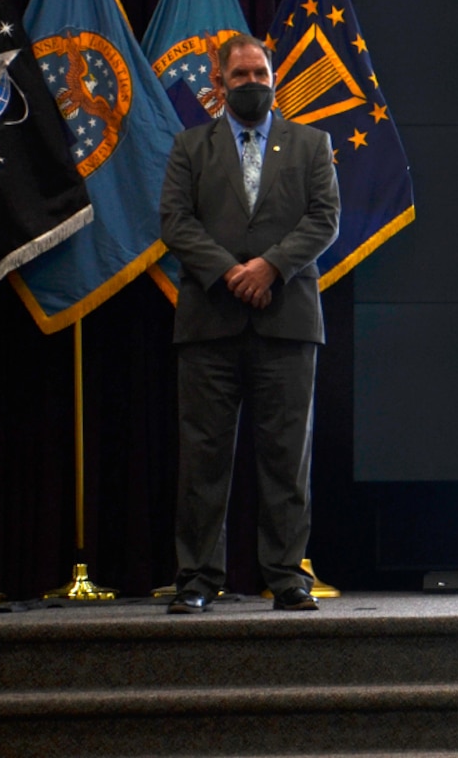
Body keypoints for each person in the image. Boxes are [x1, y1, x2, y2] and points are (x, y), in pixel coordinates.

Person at [160, 33, 339, 613]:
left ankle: (286, 577)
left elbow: (325, 221)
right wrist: (232, 273)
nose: (253, 84)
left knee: (286, 459)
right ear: (218, 83)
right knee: (202, 459)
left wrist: (269, 267)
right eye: (241, 76)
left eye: (261, 74)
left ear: (274, 79)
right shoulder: (190, 147)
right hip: (210, 322)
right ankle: (197, 581)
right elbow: (175, 223)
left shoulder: (311, 144)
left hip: (286, 320)